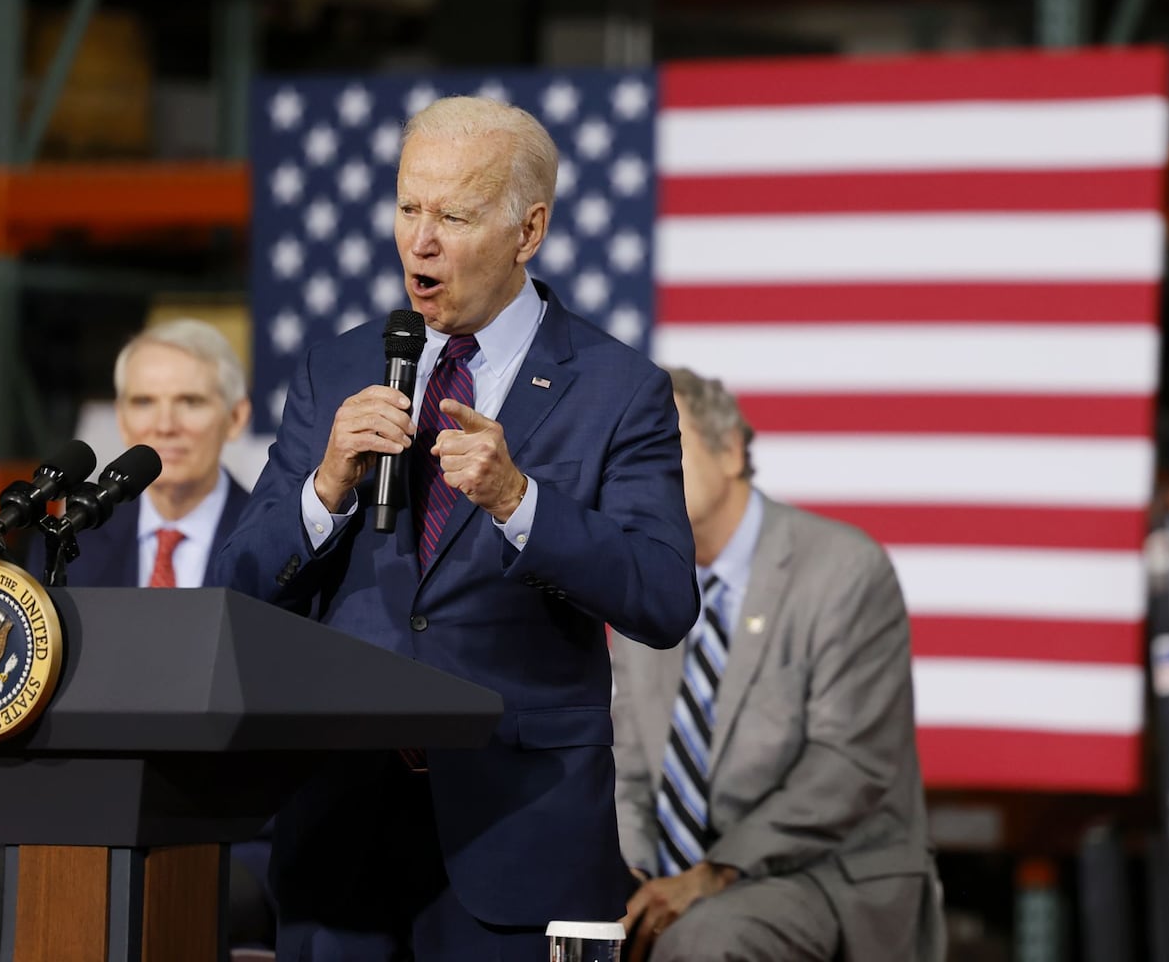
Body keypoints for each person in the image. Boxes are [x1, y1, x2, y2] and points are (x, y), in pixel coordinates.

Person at [210, 95, 699, 960]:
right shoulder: (339, 368)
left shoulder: (618, 388)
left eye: (454, 215)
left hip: (518, 836)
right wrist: (324, 487)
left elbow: (662, 597)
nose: (419, 241)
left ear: (528, 230)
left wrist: (521, 503)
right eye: (407, 207)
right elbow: (238, 585)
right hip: (339, 834)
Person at [0, 318, 273, 961]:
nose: (164, 424)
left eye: (190, 402)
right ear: (121, 417)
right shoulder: (70, 543)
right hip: (74, 829)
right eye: (145, 402)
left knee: (113, 919)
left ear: (235, 416)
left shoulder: (275, 541)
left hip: (229, 837)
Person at [611, 367, 946, 962]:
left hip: (824, 872)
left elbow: (847, 768)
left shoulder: (845, 571)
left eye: (664, 443)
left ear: (732, 451)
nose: (645, 471)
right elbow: (630, 771)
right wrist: (632, 878)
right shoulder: (646, 590)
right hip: (682, 880)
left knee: (705, 941)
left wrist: (713, 873)